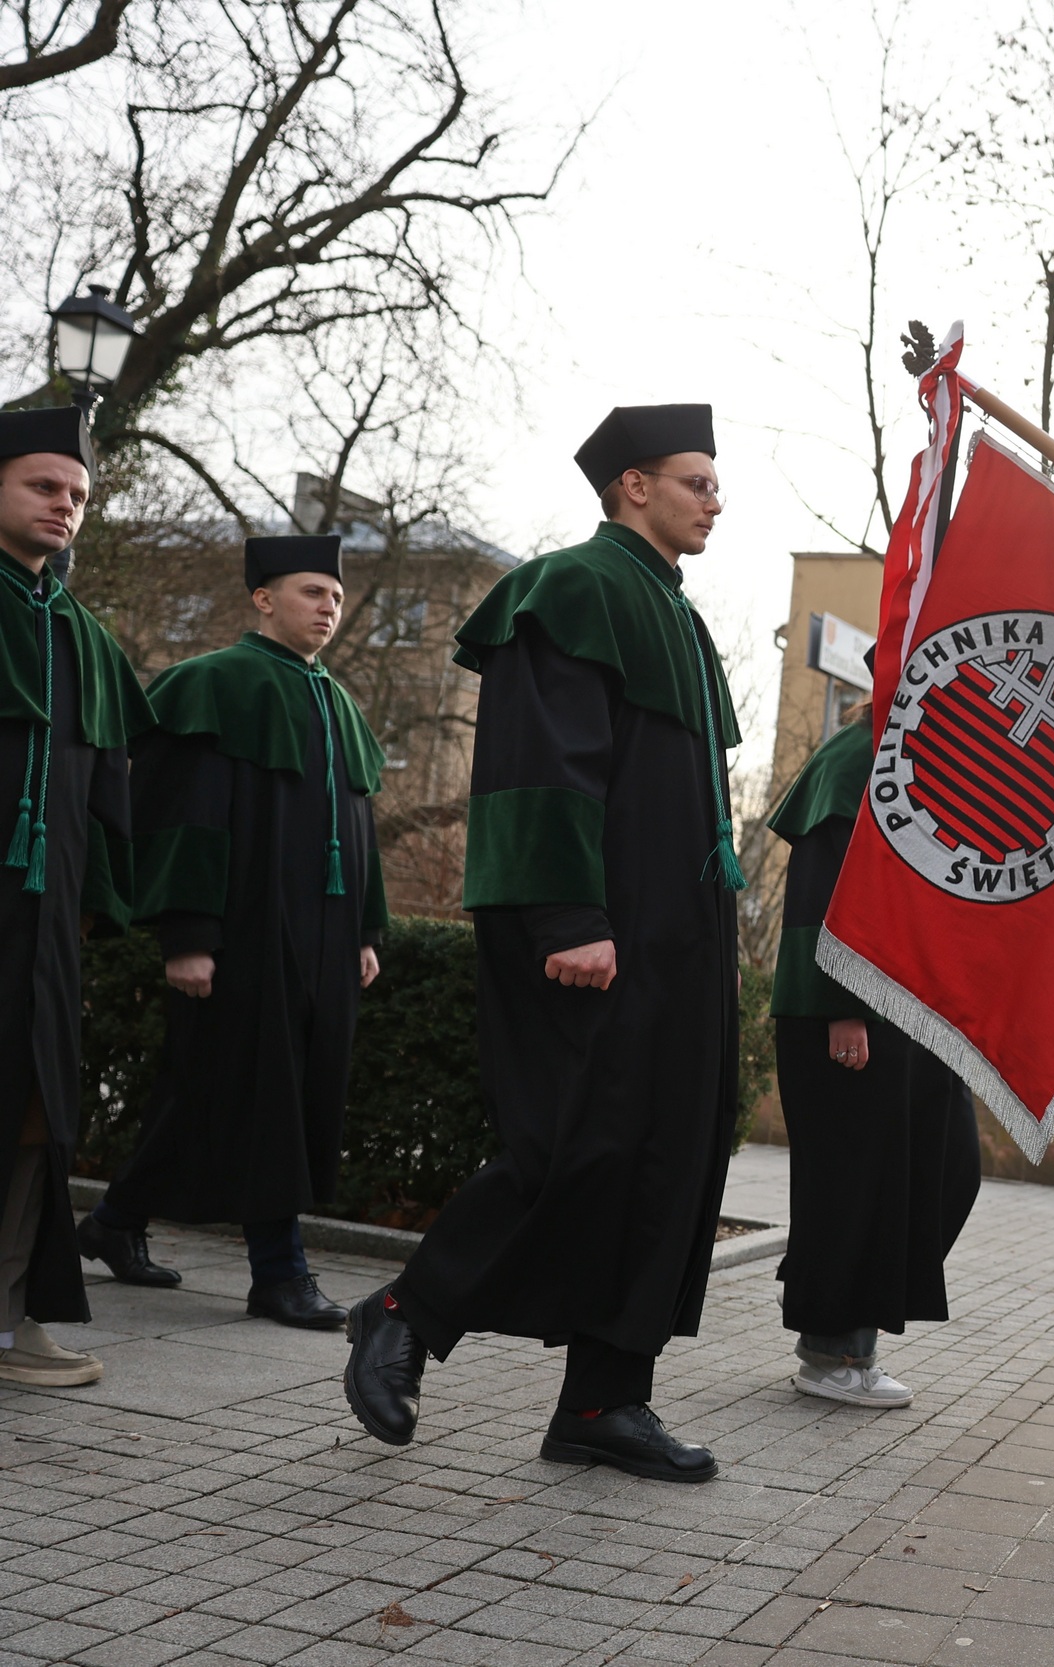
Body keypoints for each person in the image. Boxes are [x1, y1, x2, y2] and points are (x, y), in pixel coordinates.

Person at [341, 404, 744, 1483]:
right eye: (697, 480)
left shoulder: (680, 617)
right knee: (570, 1148)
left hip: (679, 941)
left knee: (663, 1163)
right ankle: (401, 1311)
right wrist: (572, 917)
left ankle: (606, 1398)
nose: (717, 498)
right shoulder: (572, 586)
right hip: (596, 931)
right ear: (633, 485)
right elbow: (538, 763)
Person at [83, 533, 384, 1329]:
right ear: (263, 599)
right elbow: (185, 817)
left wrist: (365, 929)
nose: (329, 607)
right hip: (243, 931)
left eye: (336, 596)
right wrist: (187, 932)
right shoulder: (214, 684)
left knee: (210, 1090)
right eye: (312, 592)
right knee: (260, 1094)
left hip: (322, 940)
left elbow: (360, 830)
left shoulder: (339, 703)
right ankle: (278, 1272)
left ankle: (113, 1221)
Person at [764, 710, 981, 1407]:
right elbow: (818, 898)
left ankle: (834, 1329)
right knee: (855, 1187)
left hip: (909, 1013)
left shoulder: (917, 755)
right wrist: (841, 1007)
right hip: (853, 1012)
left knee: (946, 1169)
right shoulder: (857, 759)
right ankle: (834, 1351)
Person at [0, 408, 147, 1388]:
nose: (65, 506)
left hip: (43, 924)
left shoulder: (84, 639)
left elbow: (108, 795)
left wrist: (95, 905)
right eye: (44, 487)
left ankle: (9, 1317)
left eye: (79, 495)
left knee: (35, 1114)